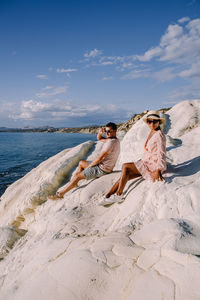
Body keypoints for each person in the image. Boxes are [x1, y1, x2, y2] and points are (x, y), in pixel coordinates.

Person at [99, 110, 166, 206]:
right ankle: (107, 195)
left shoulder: (159, 135)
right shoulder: (152, 131)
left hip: (153, 166)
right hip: (146, 162)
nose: (151, 124)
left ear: (159, 122)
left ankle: (119, 195)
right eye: (149, 121)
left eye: (154, 121)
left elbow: (162, 153)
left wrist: (158, 169)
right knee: (125, 176)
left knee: (125, 166)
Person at [49, 122, 120, 199]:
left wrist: (90, 166)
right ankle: (75, 182)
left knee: (77, 176)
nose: (106, 133)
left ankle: (61, 193)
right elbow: (99, 138)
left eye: (109, 131)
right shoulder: (114, 140)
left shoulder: (110, 143)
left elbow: (99, 158)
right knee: (81, 163)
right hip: (103, 165)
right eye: (105, 131)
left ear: (115, 131)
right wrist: (100, 133)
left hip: (102, 169)